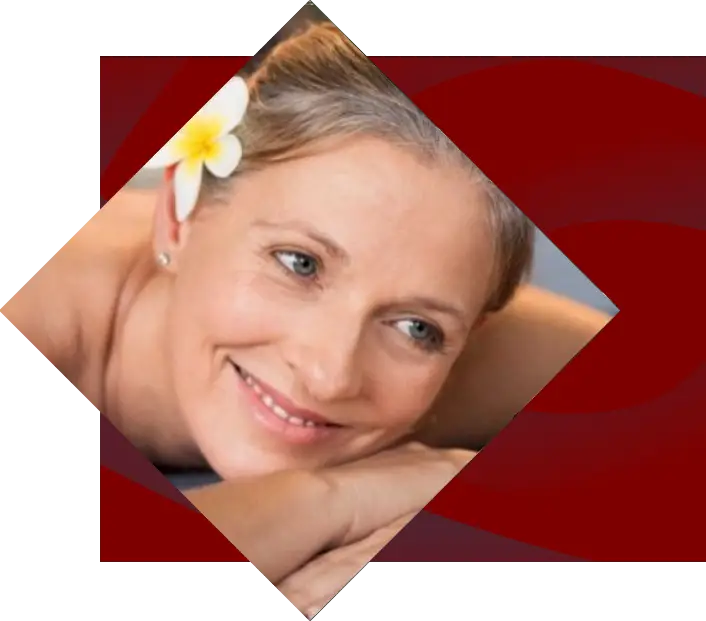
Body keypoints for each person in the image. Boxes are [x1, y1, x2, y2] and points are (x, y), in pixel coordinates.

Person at [0, 18, 610, 616]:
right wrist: (342, 496)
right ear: (179, 219)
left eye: (416, 328)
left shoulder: (442, 364)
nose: (329, 376)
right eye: (299, 264)